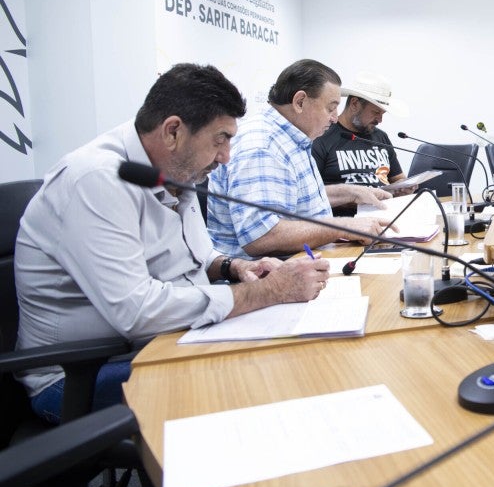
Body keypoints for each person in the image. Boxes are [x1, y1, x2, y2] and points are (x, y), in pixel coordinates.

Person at [15, 63, 331, 422]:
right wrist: (268, 292)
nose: (226, 156)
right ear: (173, 132)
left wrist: (236, 267)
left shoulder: (177, 170)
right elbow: (138, 313)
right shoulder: (95, 181)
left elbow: (198, 256)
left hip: (164, 343)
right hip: (80, 376)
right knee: (256, 383)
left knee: (291, 354)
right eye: (221, 139)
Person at [207, 60, 390, 258]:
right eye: (331, 108)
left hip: (303, 262)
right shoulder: (262, 145)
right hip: (260, 278)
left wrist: (350, 192)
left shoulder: (291, 137)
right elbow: (262, 237)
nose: (335, 118)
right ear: (300, 102)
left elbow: (294, 199)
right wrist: (346, 226)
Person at [312, 72, 414, 213]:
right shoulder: (321, 137)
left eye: (382, 114)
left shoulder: (381, 137)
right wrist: (353, 197)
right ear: (354, 104)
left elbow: (398, 179)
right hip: (345, 224)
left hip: (387, 215)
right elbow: (311, 194)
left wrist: (404, 187)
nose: (380, 120)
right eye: (375, 112)